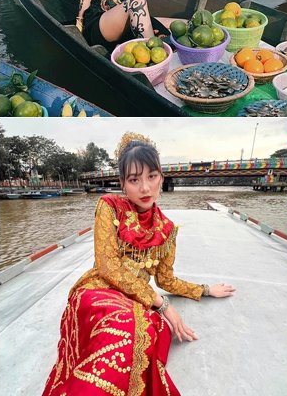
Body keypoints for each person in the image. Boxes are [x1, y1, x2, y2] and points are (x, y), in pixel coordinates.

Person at [44, 135, 235, 395]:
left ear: (161, 179)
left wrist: (205, 290)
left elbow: (166, 281)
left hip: (135, 302)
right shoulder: (109, 207)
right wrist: (163, 305)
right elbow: (107, 266)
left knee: (143, 328)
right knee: (128, 327)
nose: (145, 188)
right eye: (134, 179)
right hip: (97, 290)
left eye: (151, 177)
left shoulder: (167, 230)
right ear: (123, 184)